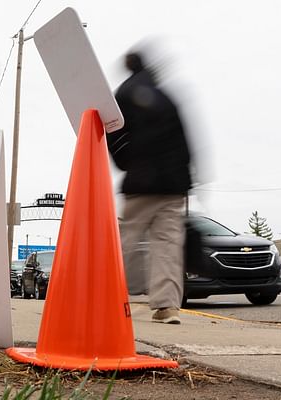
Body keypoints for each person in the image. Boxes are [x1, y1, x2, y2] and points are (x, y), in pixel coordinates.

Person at [107, 51, 192, 324]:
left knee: (126, 240)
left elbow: (114, 131)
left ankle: (107, 296)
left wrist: (127, 163)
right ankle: (167, 307)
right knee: (167, 246)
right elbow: (185, 139)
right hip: (174, 185)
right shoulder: (167, 97)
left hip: (142, 183)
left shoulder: (124, 93)